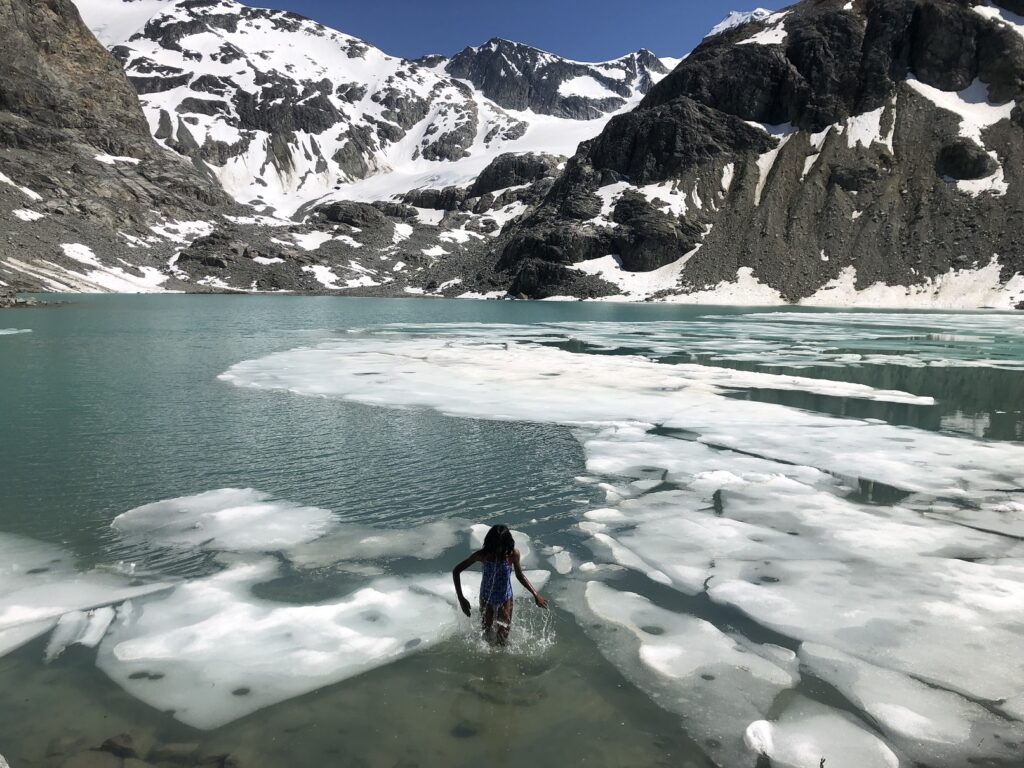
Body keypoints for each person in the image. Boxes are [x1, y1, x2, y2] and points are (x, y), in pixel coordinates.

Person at [452, 524, 547, 645]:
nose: (497, 550)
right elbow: (456, 571)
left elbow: (519, 575)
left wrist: (535, 594)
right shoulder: (483, 555)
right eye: (495, 546)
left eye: (501, 547)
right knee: (486, 634)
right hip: (486, 597)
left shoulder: (513, 554)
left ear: (507, 544)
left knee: (503, 636)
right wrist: (461, 599)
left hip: (505, 597)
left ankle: (501, 660)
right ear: (490, 544)